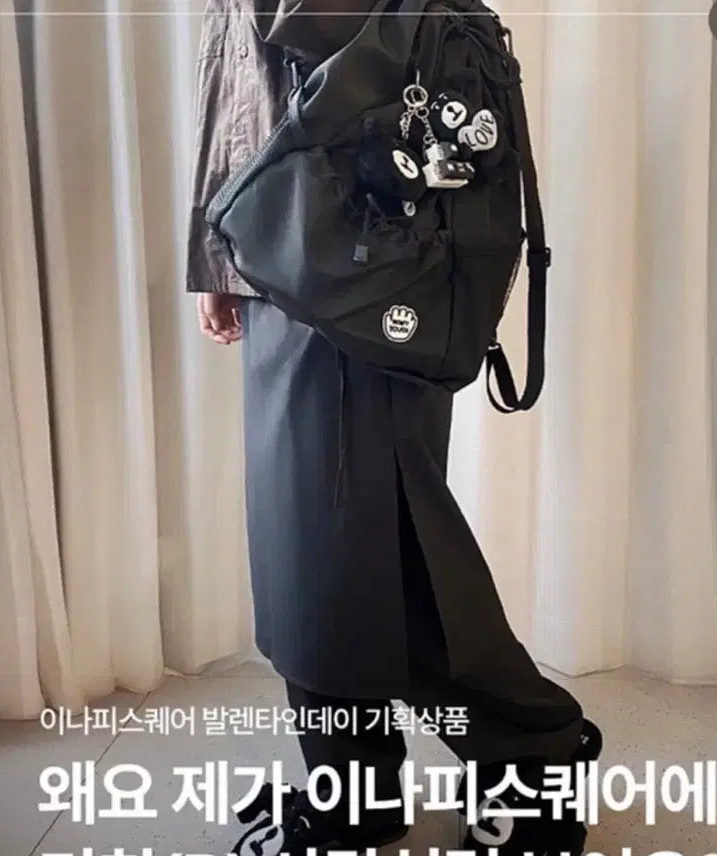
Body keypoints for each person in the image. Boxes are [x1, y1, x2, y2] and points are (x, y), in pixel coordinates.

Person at [186, 2, 602, 854]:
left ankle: (532, 760)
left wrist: (225, 246)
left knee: (367, 547)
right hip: (307, 247)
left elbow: (311, 49)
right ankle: (357, 789)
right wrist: (221, 255)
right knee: (323, 554)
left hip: (339, 255)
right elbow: (251, 57)